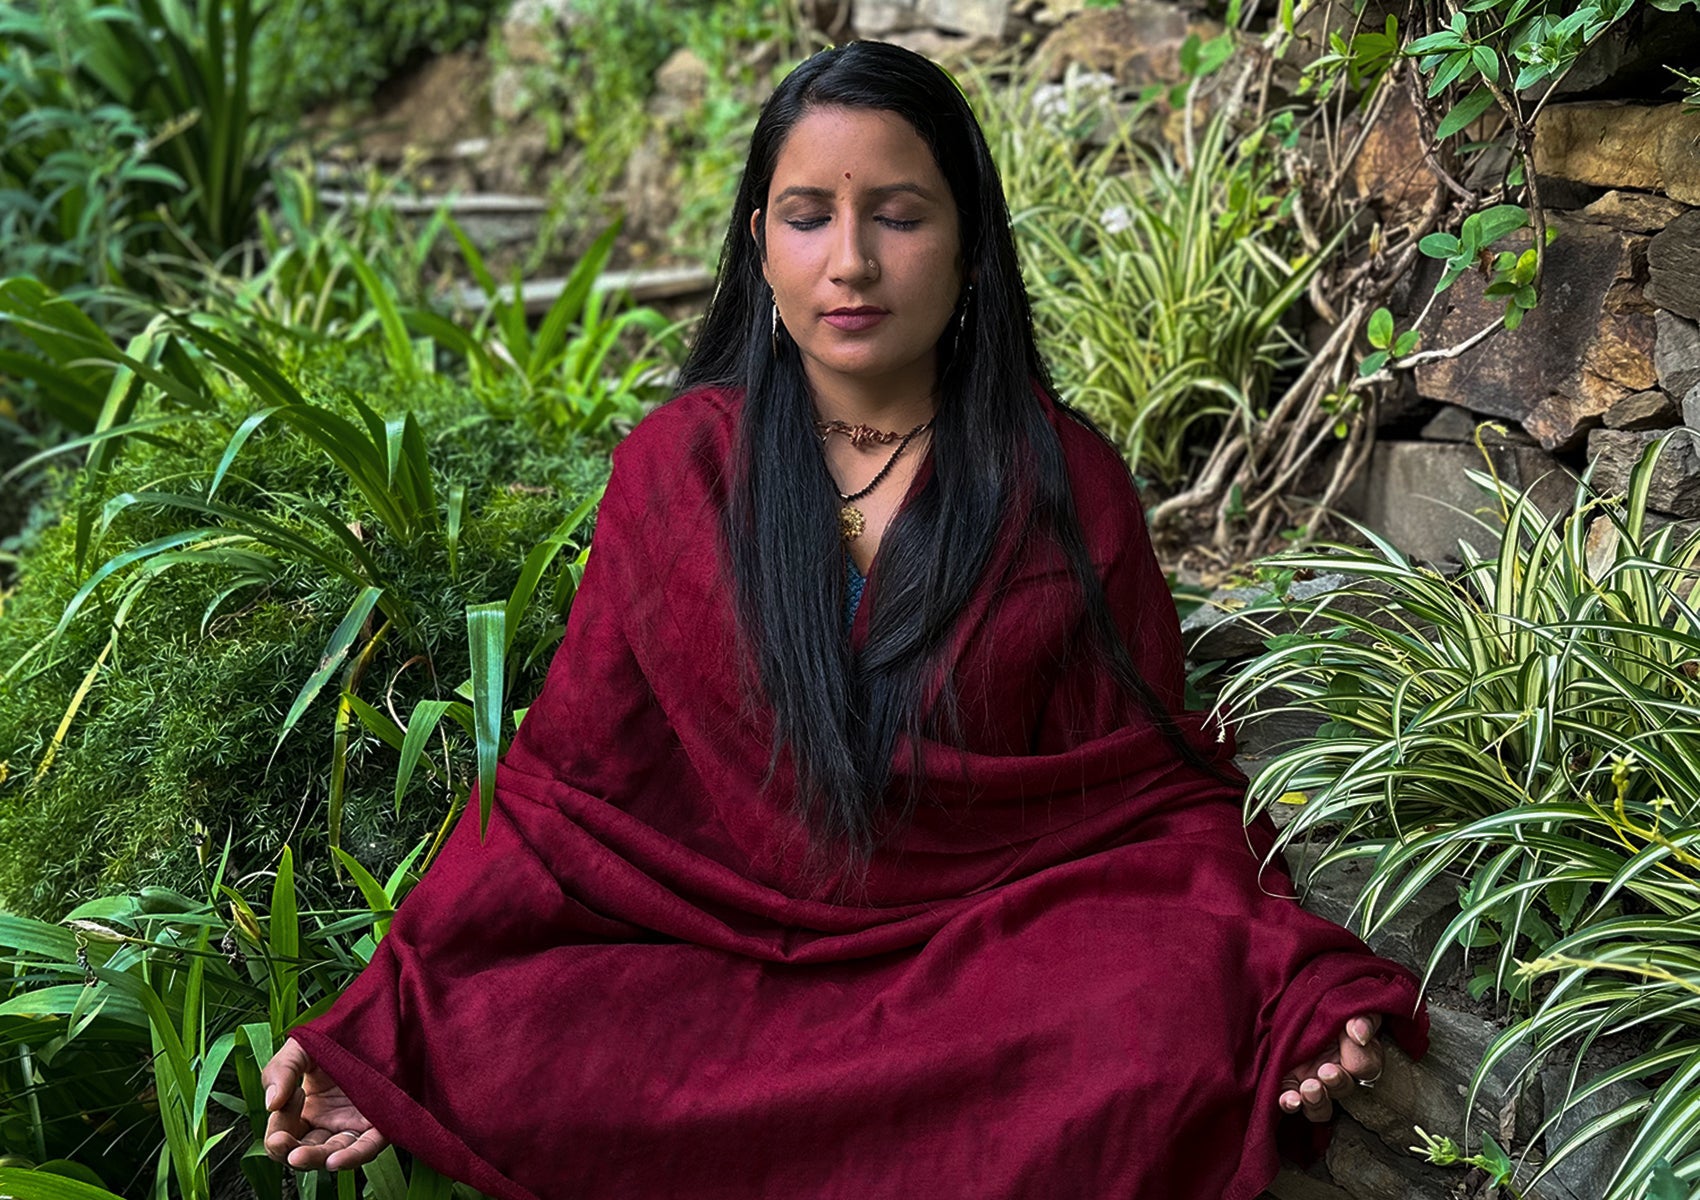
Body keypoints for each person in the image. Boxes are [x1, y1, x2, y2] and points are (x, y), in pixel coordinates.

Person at [260, 39, 1426, 1199]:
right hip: (716, 962)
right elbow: (566, 791)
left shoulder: (1065, 486)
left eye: (899, 217)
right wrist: (384, 1021)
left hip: (971, 964)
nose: (851, 262)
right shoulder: (676, 472)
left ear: (968, 244)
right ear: (757, 244)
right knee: (523, 1030)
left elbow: (1141, 796)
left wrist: (1282, 980)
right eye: (808, 216)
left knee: (1154, 1014)